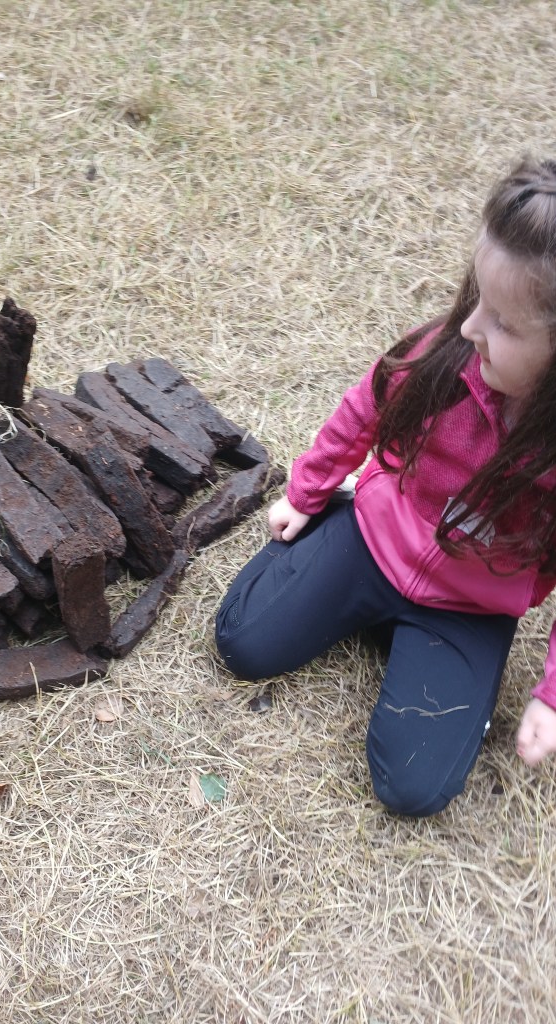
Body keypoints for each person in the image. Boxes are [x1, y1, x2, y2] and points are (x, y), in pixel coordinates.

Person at [215, 157, 556, 817]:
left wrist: (550, 696)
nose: (469, 328)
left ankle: (411, 640)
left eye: (503, 323)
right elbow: (362, 409)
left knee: (414, 789)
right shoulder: (444, 355)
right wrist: (307, 493)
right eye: (475, 298)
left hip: (468, 605)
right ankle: (346, 569)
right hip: (374, 540)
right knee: (243, 642)